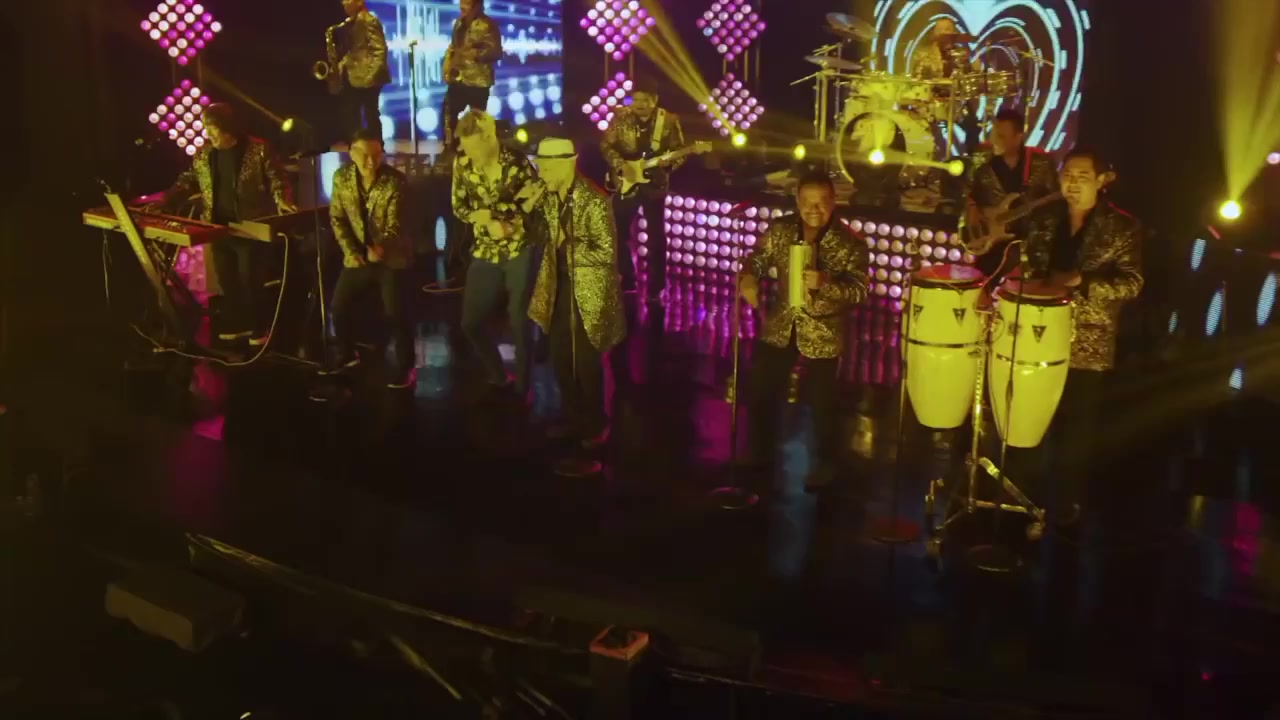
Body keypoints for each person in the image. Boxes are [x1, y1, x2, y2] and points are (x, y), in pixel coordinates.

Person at [1024, 146, 1142, 524]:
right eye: (1067, 176)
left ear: (1102, 181)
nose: (1072, 184)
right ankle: (1026, 495)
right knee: (1033, 416)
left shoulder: (1122, 227)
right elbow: (1029, 264)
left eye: (1082, 177)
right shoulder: (1045, 218)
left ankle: (1066, 504)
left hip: (1087, 340)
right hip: (1038, 333)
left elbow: (1132, 283)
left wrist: (1083, 281)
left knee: (1076, 427)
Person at [738, 173, 870, 493]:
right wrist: (749, 276)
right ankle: (760, 450)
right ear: (797, 201)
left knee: (821, 402)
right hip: (783, 322)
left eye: (822, 203)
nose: (815, 210)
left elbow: (859, 290)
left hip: (824, 329)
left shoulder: (851, 242)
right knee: (762, 387)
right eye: (808, 202)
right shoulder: (781, 229)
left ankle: (827, 461)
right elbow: (758, 257)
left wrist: (827, 283)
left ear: (833, 202)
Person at [159, 103, 295, 346]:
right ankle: (238, 324)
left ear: (228, 128)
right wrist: (165, 201)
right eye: (207, 129)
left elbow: (277, 177)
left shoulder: (258, 149)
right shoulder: (204, 153)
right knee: (227, 279)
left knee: (250, 279)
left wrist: (282, 199)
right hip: (217, 226)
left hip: (249, 225)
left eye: (213, 129)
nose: (209, 135)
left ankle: (259, 327)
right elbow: (188, 180)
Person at [525, 137, 626, 447]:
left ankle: (596, 423)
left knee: (586, 361)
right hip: (558, 285)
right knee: (560, 357)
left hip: (589, 289)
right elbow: (537, 235)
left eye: (545, 167)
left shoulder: (594, 200)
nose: (541, 173)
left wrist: (568, 245)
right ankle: (572, 416)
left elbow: (606, 252)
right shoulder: (549, 196)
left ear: (564, 165)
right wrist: (527, 212)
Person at [450, 111, 540, 395]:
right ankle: (498, 375)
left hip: (519, 249)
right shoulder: (462, 163)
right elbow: (459, 207)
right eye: (465, 148)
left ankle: (523, 388)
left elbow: (535, 204)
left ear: (489, 138)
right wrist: (484, 218)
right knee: (470, 322)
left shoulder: (518, 163)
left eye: (474, 148)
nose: (470, 155)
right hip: (485, 250)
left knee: (519, 322)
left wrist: (508, 222)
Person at [329, 128, 415, 388]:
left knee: (395, 313)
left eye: (377, 155)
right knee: (338, 307)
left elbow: (396, 224)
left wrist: (380, 247)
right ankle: (347, 353)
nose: (371, 161)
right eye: (365, 155)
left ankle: (406, 366)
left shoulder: (395, 181)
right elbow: (337, 217)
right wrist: (351, 251)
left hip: (392, 257)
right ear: (352, 153)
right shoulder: (342, 177)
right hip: (359, 256)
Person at [600, 76, 686, 301]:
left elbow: (680, 152)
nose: (638, 104)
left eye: (644, 100)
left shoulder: (668, 121)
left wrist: (669, 165)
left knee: (656, 238)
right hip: (625, 182)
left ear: (654, 100)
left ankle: (656, 287)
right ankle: (628, 277)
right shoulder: (621, 117)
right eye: (635, 99)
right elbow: (606, 146)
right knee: (617, 232)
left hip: (654, 185)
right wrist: (620, 165)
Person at [967, 108, 1059, 276]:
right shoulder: (983, 161)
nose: (995, 141)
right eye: (994, 135)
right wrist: (974, 210)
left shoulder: (1041, 163)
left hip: (1032, 239)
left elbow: (1056, 202)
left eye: (1002, 137)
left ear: (1019, 137)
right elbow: (968, 193)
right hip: (993, 238)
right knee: (981, 276)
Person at [442, 0, 502, 145]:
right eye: (461, 2)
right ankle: (451, 147)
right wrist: (448, 64)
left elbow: (496, 52)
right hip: (458, 78)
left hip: (478, 81)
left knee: (477, 122)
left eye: (466, 3)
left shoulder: (487, 25)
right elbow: (453, 46)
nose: (462, 6)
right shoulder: (459, 23)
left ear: (476, 6)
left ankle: (476, 151)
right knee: (448, 113)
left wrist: (475, 54)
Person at [336, 0, 390, 142]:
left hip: (367, 74)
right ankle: (356, 146)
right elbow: (353, 50)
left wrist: (372, 75)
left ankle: (376, 147)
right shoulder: (349, 22)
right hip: (352, 74)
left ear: (359, 2)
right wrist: (341, 65)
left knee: (370, 114)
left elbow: (380, 50)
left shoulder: (369, 21)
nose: (343, 3)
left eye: (348, 0)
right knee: (351, 113)